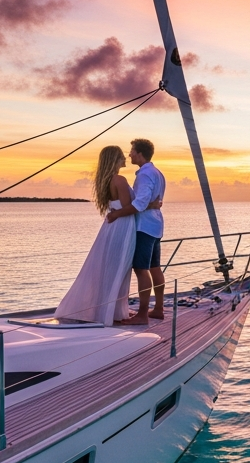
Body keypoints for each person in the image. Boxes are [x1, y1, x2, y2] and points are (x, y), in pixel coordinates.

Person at [54, 145, 159, 325]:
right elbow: (128, 207)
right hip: (123, 226)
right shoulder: (119, 179)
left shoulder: (106, 179)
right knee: (119, 268)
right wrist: (151, 205)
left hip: (112, 226)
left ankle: (107, 309)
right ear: (115, 159)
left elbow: (122, 206)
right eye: (121, 156)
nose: (125, 158)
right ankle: (109, 312)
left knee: (110, 266)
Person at [115, 138, 166, 326]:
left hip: (144, 226)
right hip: (156, 225)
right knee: (154, 267)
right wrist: (152, 204)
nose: (130, 154)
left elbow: (140, 203)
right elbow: (150, 201)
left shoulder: (144, 175)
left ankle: (142, 314)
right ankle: (158, 308)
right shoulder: (157, 173)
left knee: (141, 269)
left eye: (132, 151)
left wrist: (117, 214)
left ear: (140, 153)